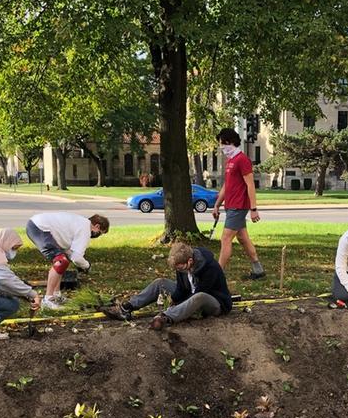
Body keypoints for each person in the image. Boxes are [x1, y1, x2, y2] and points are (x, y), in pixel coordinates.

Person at [101, 242, 232, 329]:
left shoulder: (210, 268)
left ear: (190, 261)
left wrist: (174, 307)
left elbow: (198, 293)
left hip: (214, 303)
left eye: (180, 268)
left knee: (199, 296)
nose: (179, 271)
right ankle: (127, 308)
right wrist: (173, 299)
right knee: (161, 283)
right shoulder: (181, 267)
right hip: (190, 296)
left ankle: (166, 317)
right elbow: (181, 288)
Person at [212, 127, 265, 280]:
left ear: (229, 142)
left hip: (238, 206)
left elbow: (250, 185)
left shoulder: (242, 160)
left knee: (226, 238)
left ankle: (217, 275)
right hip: (231, 206)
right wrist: (217, 204)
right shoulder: (231, 161)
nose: (221, 147)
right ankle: (258, 269)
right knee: (243, 238)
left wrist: (253, 209)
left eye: (222, 144)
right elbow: (226, 186)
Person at [25, 212, 109, 309]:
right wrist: (87, 266)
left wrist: (81, 263)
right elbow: (76, 258)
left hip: (38, 225)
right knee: (61, 261)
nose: (96, 235)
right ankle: (48, 300)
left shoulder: (80, 223)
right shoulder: (85, 228)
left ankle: (56, 295)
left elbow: (71, 253)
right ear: (97, 226)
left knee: (64, 260)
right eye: (100, 233)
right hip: (39, 227)